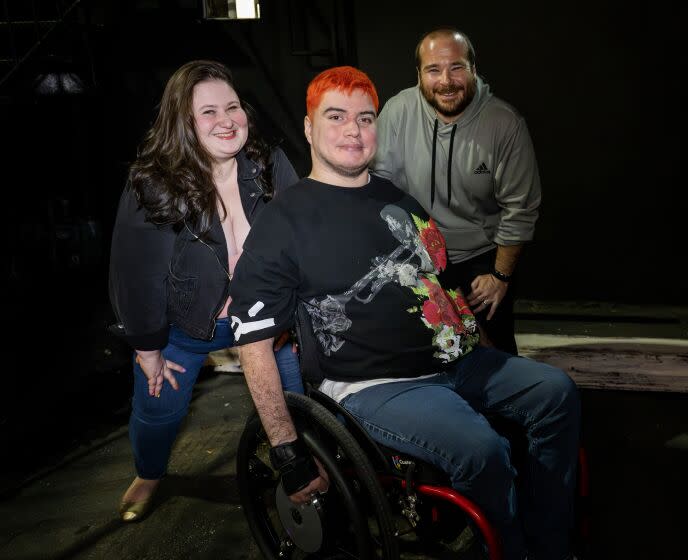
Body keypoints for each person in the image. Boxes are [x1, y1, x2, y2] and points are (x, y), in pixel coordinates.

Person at [229, 66, 580, 560]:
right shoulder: (283, 220)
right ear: (309, 128)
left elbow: (444, 287)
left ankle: (549, 541)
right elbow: (254, 343)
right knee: (481, 449)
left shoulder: (398, 199)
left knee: (555, 392)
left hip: (454, 364)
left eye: (365, 118)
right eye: (336, 116)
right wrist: (286, 449)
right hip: (373, 387)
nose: (353, 129)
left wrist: (487, 351)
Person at [108, 60, 304, 522]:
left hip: (265, 323)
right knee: (158, 413)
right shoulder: (153, 183)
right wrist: (149, 346)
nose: (227, 120)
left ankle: (302, 472)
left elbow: (302, 240)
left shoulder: (270, 165)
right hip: (186, 328)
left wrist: (299, 318)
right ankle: (150, 473)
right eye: (208, 112)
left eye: (233, 107)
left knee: (298, 405)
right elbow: (135, 275)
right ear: (184, 123)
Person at [372, 28, 541, 355]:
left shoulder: (504, 124)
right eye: (434, 69)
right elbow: (378, 187)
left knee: (494, 358)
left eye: (457, 67)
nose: (446, 80)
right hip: (416, 256)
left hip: (479, 259)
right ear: (419, 74)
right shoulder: (397, 111)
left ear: (474, 70)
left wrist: (500, 276)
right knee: (425, 356)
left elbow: (521, 209)